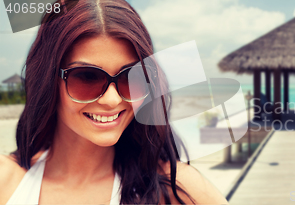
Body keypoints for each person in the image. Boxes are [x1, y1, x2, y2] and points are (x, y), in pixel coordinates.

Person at [0, 0, 229, 204]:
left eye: (131, 77)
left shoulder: (176, 189)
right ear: (47, 80)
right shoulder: (5, 181)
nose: (112, 100)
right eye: (87, 77)